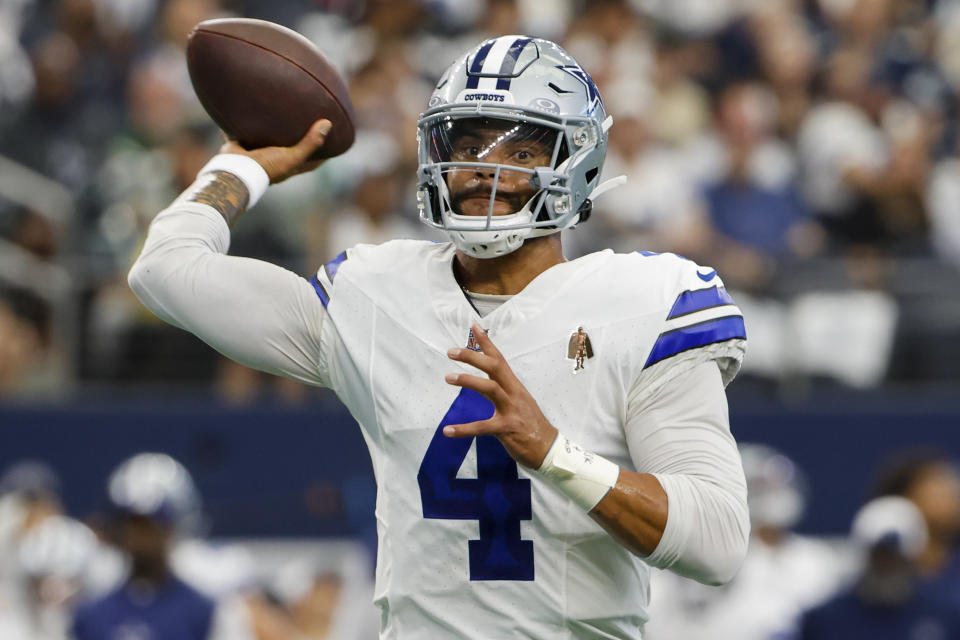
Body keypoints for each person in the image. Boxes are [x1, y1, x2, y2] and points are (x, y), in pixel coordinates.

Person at [128, 35, 750, 639]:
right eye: (470, 144)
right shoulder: (375, 292)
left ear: (575, 162)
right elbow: (164, 271)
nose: (486, 167)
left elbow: (717, 543)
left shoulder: (648, 302)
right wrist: (242, 166)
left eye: (521, 150)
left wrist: (555, 454)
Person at [799, 496, 960, 640]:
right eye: (879, 555)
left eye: (896, 557)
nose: (888, 565)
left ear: (912, 557)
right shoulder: (823, 621)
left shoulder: (945, 618)